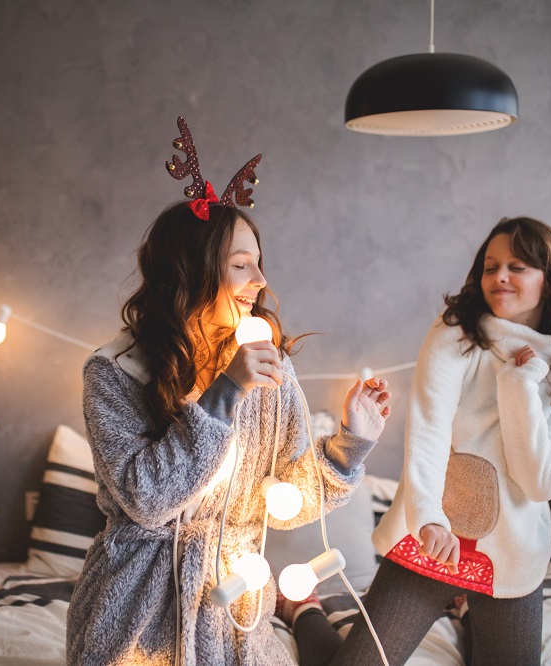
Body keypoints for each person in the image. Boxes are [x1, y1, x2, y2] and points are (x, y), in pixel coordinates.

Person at [65, 117, 391, 666]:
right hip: (135, 619)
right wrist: (222, 394)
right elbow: (146, 499)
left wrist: (350, 446)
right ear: (188, 274)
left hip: (234, 615)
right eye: (241, 266)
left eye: (259, 264)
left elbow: (281, 505)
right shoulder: (116, 372)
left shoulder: (271, 368)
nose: (260, 282)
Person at [285, 217, 551, 665]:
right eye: (490, 267)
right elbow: (429, 428)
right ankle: (303, 610)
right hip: (431, 534)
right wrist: (429, 518)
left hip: (509, 553)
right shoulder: (457, 332)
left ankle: (468, 609)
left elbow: (539, 483)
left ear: (550, 280)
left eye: (518, 266)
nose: (500, 277)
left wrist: (519, 386)